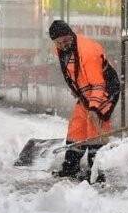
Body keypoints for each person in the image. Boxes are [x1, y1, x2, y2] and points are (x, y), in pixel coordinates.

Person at [48, 20, 121, 181]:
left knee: (95, 128)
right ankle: (70, 166)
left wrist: (95, 109)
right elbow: (74, 74)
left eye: (66, 41)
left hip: (106, 89)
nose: (63, 45)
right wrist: (77, 91)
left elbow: (98, 84)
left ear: (71, 35)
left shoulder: (88, 52)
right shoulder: (61, 49)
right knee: (77, 127)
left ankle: (97, 172)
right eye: (59, 43)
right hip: (86, 93)